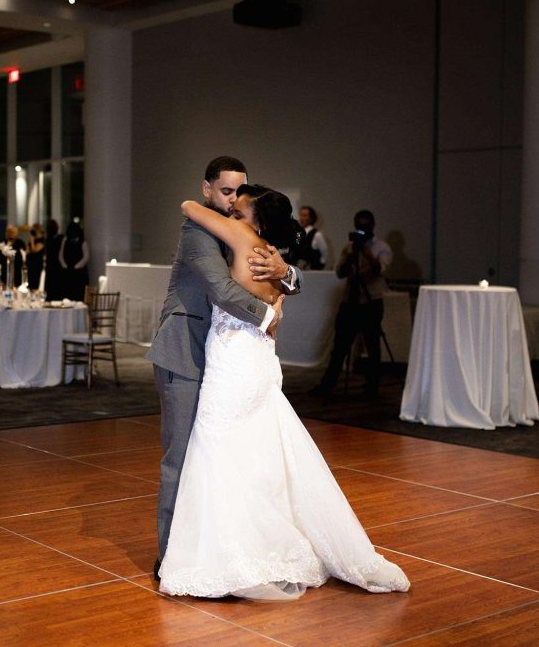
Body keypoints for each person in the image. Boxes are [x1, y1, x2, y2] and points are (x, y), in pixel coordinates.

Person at [158, 185, 409, 600]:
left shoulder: (241, 238)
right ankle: (261, 543)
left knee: (216, 449)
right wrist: (284, 273)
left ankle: (230, 555)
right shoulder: (274, 257)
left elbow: (187, 206)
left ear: (256, 221)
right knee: (257, 455)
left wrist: (214, 208)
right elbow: (288, 284)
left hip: (234, 364)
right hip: (259, 364)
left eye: (240, 209)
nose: (232, 211)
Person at [147, 156, 301, 583]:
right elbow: (220, 289)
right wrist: (268, 315)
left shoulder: (244, 230)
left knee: (221, 457)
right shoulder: (198, 230)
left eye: (239, 191)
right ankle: (170, 557)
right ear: (207, 189)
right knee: (181, 458)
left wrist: (287, 272)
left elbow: (286, 273)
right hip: (185, 353)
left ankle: (217, 550)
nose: (234, 199)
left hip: (223, 360)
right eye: (226, 191)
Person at [310, 209, 393, 399]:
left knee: (372, 345)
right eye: (358, 226)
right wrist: (349, 256)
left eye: (365, 226)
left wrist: (365, 251)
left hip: (371, 301)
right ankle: (328, 384)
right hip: (350, 301)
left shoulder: (382, 247)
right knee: (340, 346)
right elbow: (340, 273)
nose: (361, 230)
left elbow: (380, 270)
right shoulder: (349, 247)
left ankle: (372, 387)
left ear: (372, 226)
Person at [58, 220, 90, 300]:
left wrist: (77, 266)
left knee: (78, 294)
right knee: (67, 295)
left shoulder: (82, 242)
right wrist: (65, 265)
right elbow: (61, 255)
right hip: (68, 271)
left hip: (79, 273)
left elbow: (86, 257)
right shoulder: (65, 241)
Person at [296, 205, 328, 270]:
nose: (301, 218)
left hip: (312, 271)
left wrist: (319, 266)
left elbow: (324, 252)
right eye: (301, 215)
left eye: (304, 215)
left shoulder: (317, 234)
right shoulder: (298, 234)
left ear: (311, 218)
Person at [43, 219, 65, 300]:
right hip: (58, 265)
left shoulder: (47, 240)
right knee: (58, 286)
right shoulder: (61, 238)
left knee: (50, 287)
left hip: (50, 266)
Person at [25, 224, 46, 291]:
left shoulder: (41, 240)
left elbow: (35, 250)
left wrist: (32, 241)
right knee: (29, 282)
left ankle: (34, 293)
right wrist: (30, 241)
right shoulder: (32, 239)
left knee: (35, 282)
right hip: (30, 263)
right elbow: (27, 251)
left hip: (37, 264)